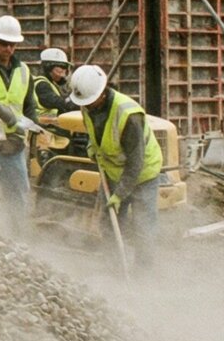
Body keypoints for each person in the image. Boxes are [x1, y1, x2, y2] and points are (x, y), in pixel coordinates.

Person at [68, 64, 164, 267]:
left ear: (102, 93)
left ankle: (144, 273)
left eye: (90, 102)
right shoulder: (87, 106)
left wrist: (119, 194)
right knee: (108, 223)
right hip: (112, 171)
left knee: (142, 228)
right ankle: (114, 268)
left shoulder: (129, 115)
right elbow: (95, 134)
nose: (86, 106)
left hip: (142, 174)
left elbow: (135, 163)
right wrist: (92, 148)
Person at [0, 15, 41, 233]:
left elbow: (29, 104)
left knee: (18, 193)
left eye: (12, 44)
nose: (8, 49)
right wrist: (10, 117)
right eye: (4, 44)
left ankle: (18, 235)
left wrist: (33, 125)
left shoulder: (24, 71)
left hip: (14, 143)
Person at [30, 47, 76, 123]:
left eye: (66, 67)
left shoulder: (50, 83)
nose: (64, 70)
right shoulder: (42, 85)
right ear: (49, 67)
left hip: (48, 124)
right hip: (44, 126)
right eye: (62, 66)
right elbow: (60, 103)